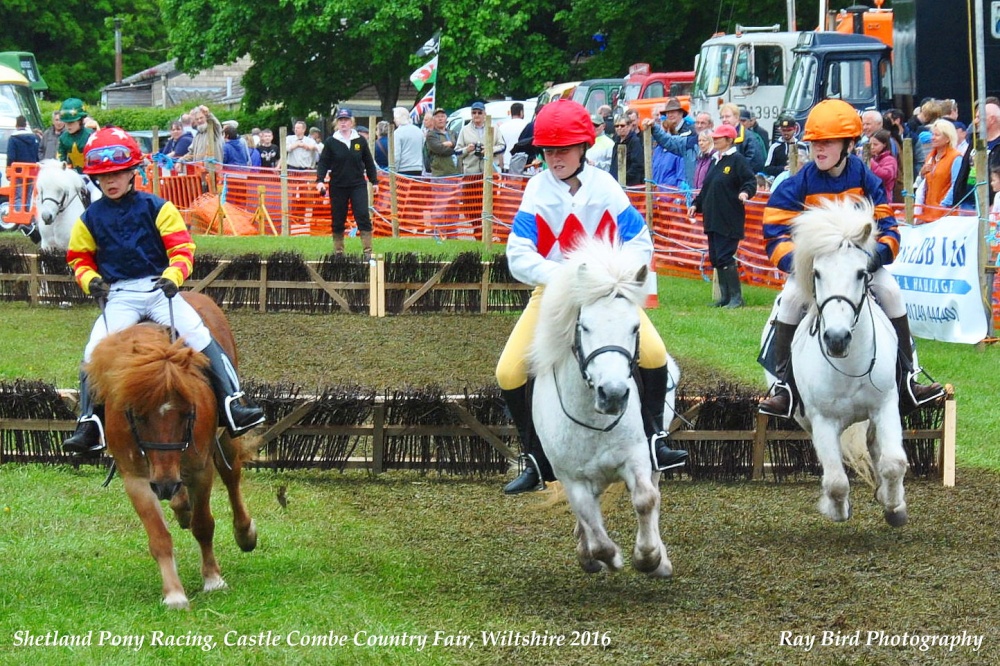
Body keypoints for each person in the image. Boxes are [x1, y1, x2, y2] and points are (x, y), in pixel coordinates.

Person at [497, 99, 688, 494]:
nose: (554, 157)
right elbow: (517, 255)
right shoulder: (535, 190)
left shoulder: (606, 187)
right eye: (548, 150)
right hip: (552, 296)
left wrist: (618, 276)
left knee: (653, 356)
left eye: (563, 149)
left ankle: (655, 441)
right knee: (509, 372)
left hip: (607, 294)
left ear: (584, 147)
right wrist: (564, 277)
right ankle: (535, 458)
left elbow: (640, 241)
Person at [62, 128, 265, 455]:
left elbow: (182, 249)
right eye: (102, 177)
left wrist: (174, 276)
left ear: (132, 173)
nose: (110, 181)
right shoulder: (89, 219)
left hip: (160, 289)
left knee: (199, 335)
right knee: (92, 350)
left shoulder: (159, 208)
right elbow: (79, 259)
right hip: (120, 295)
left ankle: (234, 402)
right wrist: (91, 281)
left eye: (117, 173)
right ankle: (89, 423)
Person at [758, 99, 944, 419]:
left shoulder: (865, 178)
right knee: (789, 299)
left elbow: (888, 224)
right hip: (815, 270)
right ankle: (784, 388)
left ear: (849, 144)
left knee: (891, 292)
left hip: (860, 266)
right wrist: (800, 266)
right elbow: (773, 231)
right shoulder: (799, 182)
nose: (818, 149)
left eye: (827, 142)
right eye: (815, 142)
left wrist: (878, 255)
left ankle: (909, 378)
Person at [688, 124, 756, 308]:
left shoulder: (737, 160)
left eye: (719, 138)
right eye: (715, 137)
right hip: (713, 218)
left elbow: (750, 181)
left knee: (726, 256)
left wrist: (745, 193)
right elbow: (707, 188)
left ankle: (736, 298)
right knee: (716, 257)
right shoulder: (715, 161)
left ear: (729, 140)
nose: (715, 140)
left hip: (729, 217)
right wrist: (696, 204)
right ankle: (725, 297)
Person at [314, 109, 379, 257]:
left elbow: (369, 162)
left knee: (362, 215)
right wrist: (320, 180)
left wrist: (374, 181)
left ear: (352, 122)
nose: (343, 122)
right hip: (337, 185)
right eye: (341, 120)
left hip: (358, 184)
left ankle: (368, 251)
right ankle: (338, 251)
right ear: (337, 122)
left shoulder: (360, 141)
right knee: (338, 218)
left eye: (346, 119)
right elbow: (323, 162)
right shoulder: (331, 141)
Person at [916, 119, 962, 215]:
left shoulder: (956, 157)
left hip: (946, 214)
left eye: (937, 135)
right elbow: (924, 186)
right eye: (932, 134)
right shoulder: (930, 157)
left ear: (948, 138)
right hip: (928, 213)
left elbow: (956, 185)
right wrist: (922, 173)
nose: (932, 138)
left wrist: (943, 206)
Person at [456, 102, 505, 175]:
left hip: (490, 173)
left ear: (485, 114)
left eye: (479, 113)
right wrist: (467, 149)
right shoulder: (464, 130)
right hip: (471, 174)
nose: (476, 115)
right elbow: (457, 152)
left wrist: (490, 150)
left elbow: (503, 146)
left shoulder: (494, 128)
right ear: (471, 114)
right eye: (474, 113)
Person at [7, 115, 40, 213]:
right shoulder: (34, 138)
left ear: (16, 125)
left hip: (18, 171)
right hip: (32, 171)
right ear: (26, 124)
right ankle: (27, 214)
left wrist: (9, 171)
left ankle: (18, 216)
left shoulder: (13, 139)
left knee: (18, 195)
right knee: (29, 195)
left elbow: (11, 156)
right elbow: (38, 155)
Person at [720, 104, 764, 173]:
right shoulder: (720, 137)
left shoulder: (749, 138)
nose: (724, 120)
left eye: (727, 116)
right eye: (722, 117)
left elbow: (756, 163)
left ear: (737, 117)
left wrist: (734, 171)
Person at [56, 98, 95, 173]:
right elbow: (60, 158)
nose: (68, 126)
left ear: (81, 120)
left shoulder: (91, 136)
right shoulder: (63, 138)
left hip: (92, 175)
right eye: (66, 123)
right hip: (73, 175)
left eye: (72, 122)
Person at [609, 113, 644, 186]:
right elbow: (613, 163)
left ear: (629, 126)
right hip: (615, 183)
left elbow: (638, 165)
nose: (619, 128)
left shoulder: (635, 142)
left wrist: (624, 177)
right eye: (616, 126)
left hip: (630, 184)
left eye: (622, 125)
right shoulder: (616, 141)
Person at [425, 108, 460, 177]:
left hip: (456, 172)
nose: (440, 119)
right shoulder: (431, 135)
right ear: (433, 120)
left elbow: (459, 145)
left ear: (446, 119)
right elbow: (440, 149)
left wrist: (450, 144)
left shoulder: (452, 133)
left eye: (442, 116)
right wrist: (454, 148)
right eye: (437, 117)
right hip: (440, 174)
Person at [391, 107, 425, 177]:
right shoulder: (419, 131)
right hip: (418, 168)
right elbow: (422, 150)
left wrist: (394, 171)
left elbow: (396, 155)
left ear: (398, 118)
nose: (394, 120)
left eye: (394, 117)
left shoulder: (397, 133)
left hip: (403, 169)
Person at [868, 129, 898, 204]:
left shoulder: (890, 159)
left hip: (884, 197)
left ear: (884, 145)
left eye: (875, 144)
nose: (872, 147)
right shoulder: (874, 158)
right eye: (870, 144)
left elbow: (885, 175)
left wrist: (870, 162)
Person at [499, 102, 528, 172]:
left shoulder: (502, 127)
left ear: (511, 113)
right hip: (523, 166)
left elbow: (500, 148)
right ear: (521, 112)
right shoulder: (527, 125)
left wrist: (501, 166)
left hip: (507, 165)